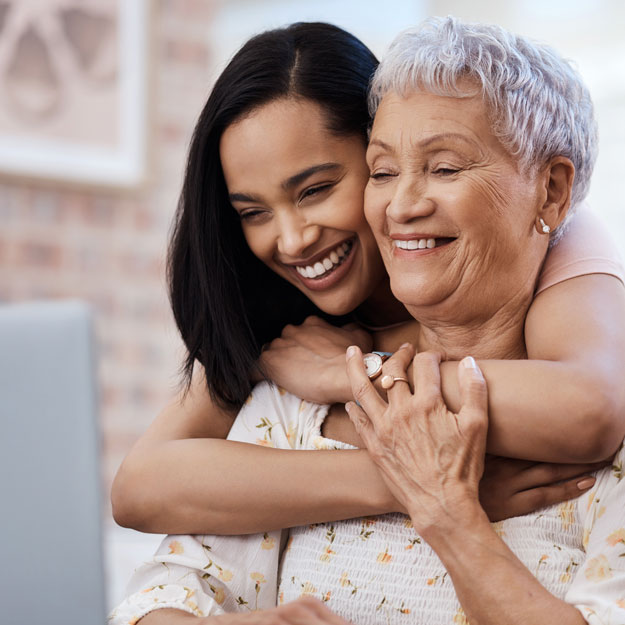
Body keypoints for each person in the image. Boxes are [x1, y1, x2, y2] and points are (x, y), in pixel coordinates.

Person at [109, 18, 625, 625]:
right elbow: (142, 496)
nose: (293, 239)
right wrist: (412, 477)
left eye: (317, 188)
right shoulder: (285, 363)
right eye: (252, 212)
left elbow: (589, 407)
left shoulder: (568, 245)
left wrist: (363, 375)